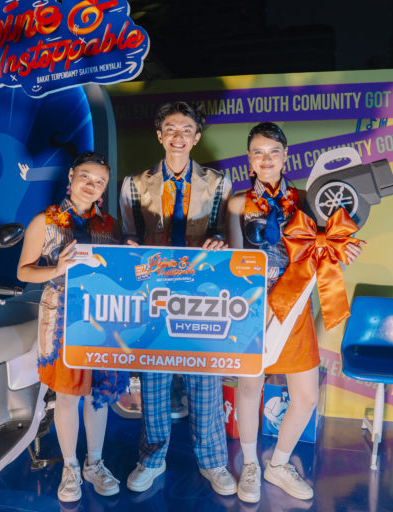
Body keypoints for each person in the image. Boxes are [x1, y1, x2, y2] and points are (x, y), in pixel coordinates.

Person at [227, 122, 364, 503]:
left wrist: (343, 249)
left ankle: (279, 464)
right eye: (258, 152)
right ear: (249, 160)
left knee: (305, 396)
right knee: (249, 388)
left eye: (273, 152)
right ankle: (251, 465)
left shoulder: (308, 199)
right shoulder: (237, 204)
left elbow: (328, 243)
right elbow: (235, 261)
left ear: (285, 156)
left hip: (296, 306)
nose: (266, 159)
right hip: (253, 307)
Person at [119, 101, 235, 496]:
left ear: (196, 137)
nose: (178, 136)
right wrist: (130, 247)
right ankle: (152, 459)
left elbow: (225, 233)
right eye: (170, 128)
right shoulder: (135, 184)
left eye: (186, 129)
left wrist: (219, 241)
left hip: (200, 295)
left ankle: (213, 461)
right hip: (154, 292)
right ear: (159, 135)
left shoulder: (218, 184)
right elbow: (127, 237)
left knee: (205, 378)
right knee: (154, 379)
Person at [17, 151, 128, 503]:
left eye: (100, 182)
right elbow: (23, 271)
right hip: (64, 316)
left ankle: (94, 464)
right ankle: (70, 467)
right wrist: (56, 269)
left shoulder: (111, 225)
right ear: (71, 177)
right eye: (86, 177)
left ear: (105, 188)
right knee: (67, 395)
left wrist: (130, 255)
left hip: (104, 315)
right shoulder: (45, 221)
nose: (91, 185)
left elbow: (119, 270)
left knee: (100, 394)